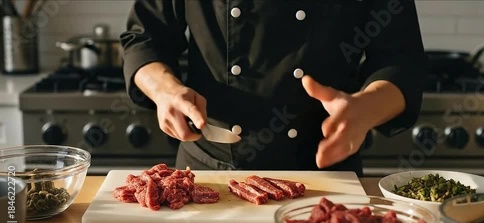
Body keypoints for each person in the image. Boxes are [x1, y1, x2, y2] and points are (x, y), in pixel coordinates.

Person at [120, 0, 427, 177]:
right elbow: (145, 39)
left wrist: (365, 109)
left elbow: (401, 59)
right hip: (208, 175)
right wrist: (165, 90)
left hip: (326, 175)